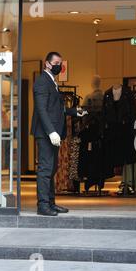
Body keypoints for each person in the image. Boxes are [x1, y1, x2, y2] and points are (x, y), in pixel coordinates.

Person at [31, 52, 87, 216]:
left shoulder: (51, 81)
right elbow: (41, 109)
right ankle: (43, 206)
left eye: (60, 63)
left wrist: (74, 112)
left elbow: (55, 108)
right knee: (45, 169)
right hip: (46, 133)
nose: (59, 66)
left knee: (52, 169)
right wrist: (51, 132)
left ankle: (50, 203)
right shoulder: (42, 82)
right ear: (47, 64)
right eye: (56, 62)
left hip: (53, 133)